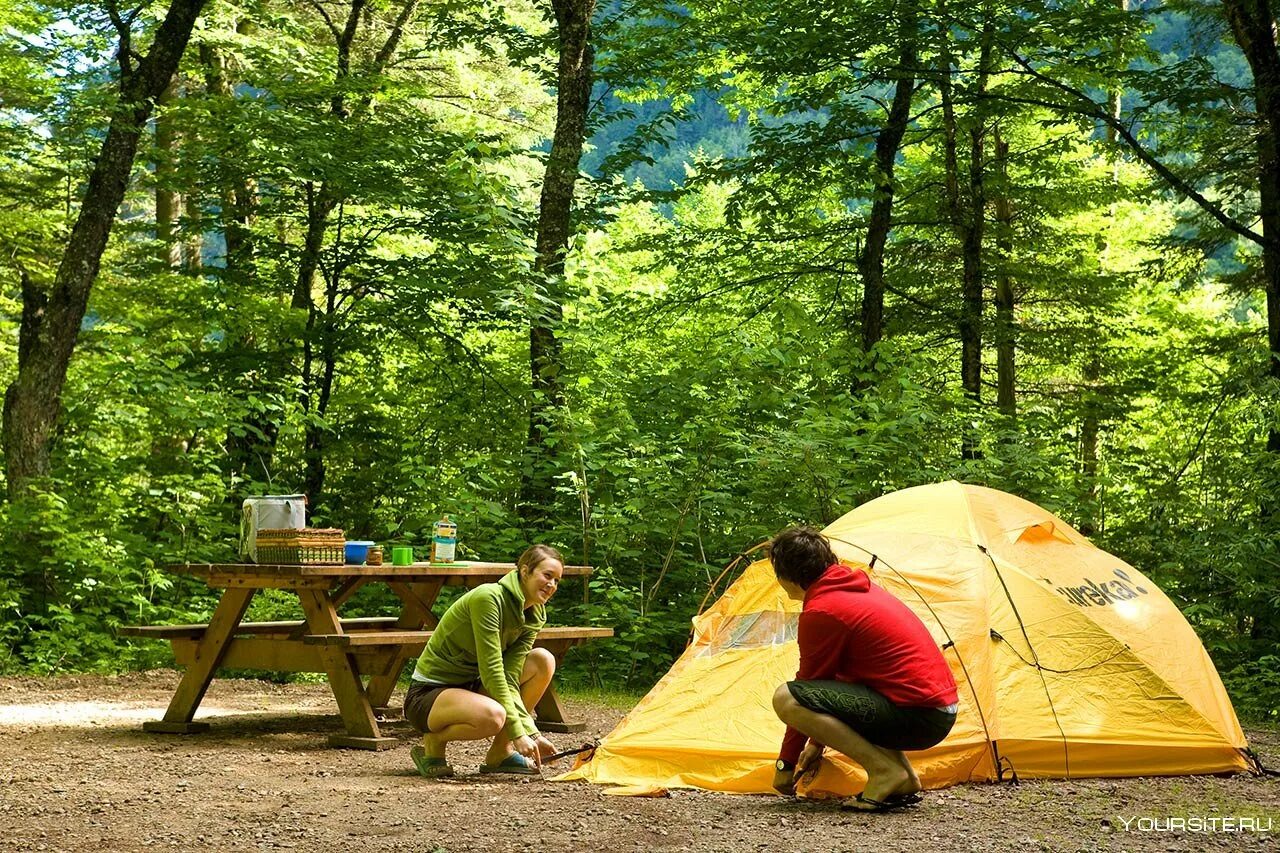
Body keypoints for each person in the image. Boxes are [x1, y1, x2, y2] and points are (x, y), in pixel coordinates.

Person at [767, 527, 959, 812]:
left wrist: (787, 762)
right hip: (935, 711)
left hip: (919, 716)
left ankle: (884, 772)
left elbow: (808, 685)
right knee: (848, 692)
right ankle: (903, 778)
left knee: (786, 697)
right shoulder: (854, 588)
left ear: (788, 575)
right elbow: (832, 688)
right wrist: (816, 745)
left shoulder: (823, 610)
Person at [403, 544, 564, 777]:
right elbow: (492, 671)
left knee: (543, 660)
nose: (552, 585)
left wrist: (532, 733)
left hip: (473, 686)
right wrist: (520, 733)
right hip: (429, 695)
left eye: (557, 580)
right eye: (547, 575)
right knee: (493, 717)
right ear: (525, 571)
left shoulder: (535, 613)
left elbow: (509, 675)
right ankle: (434, 742)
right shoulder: (488, 598)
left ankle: (501, 753)